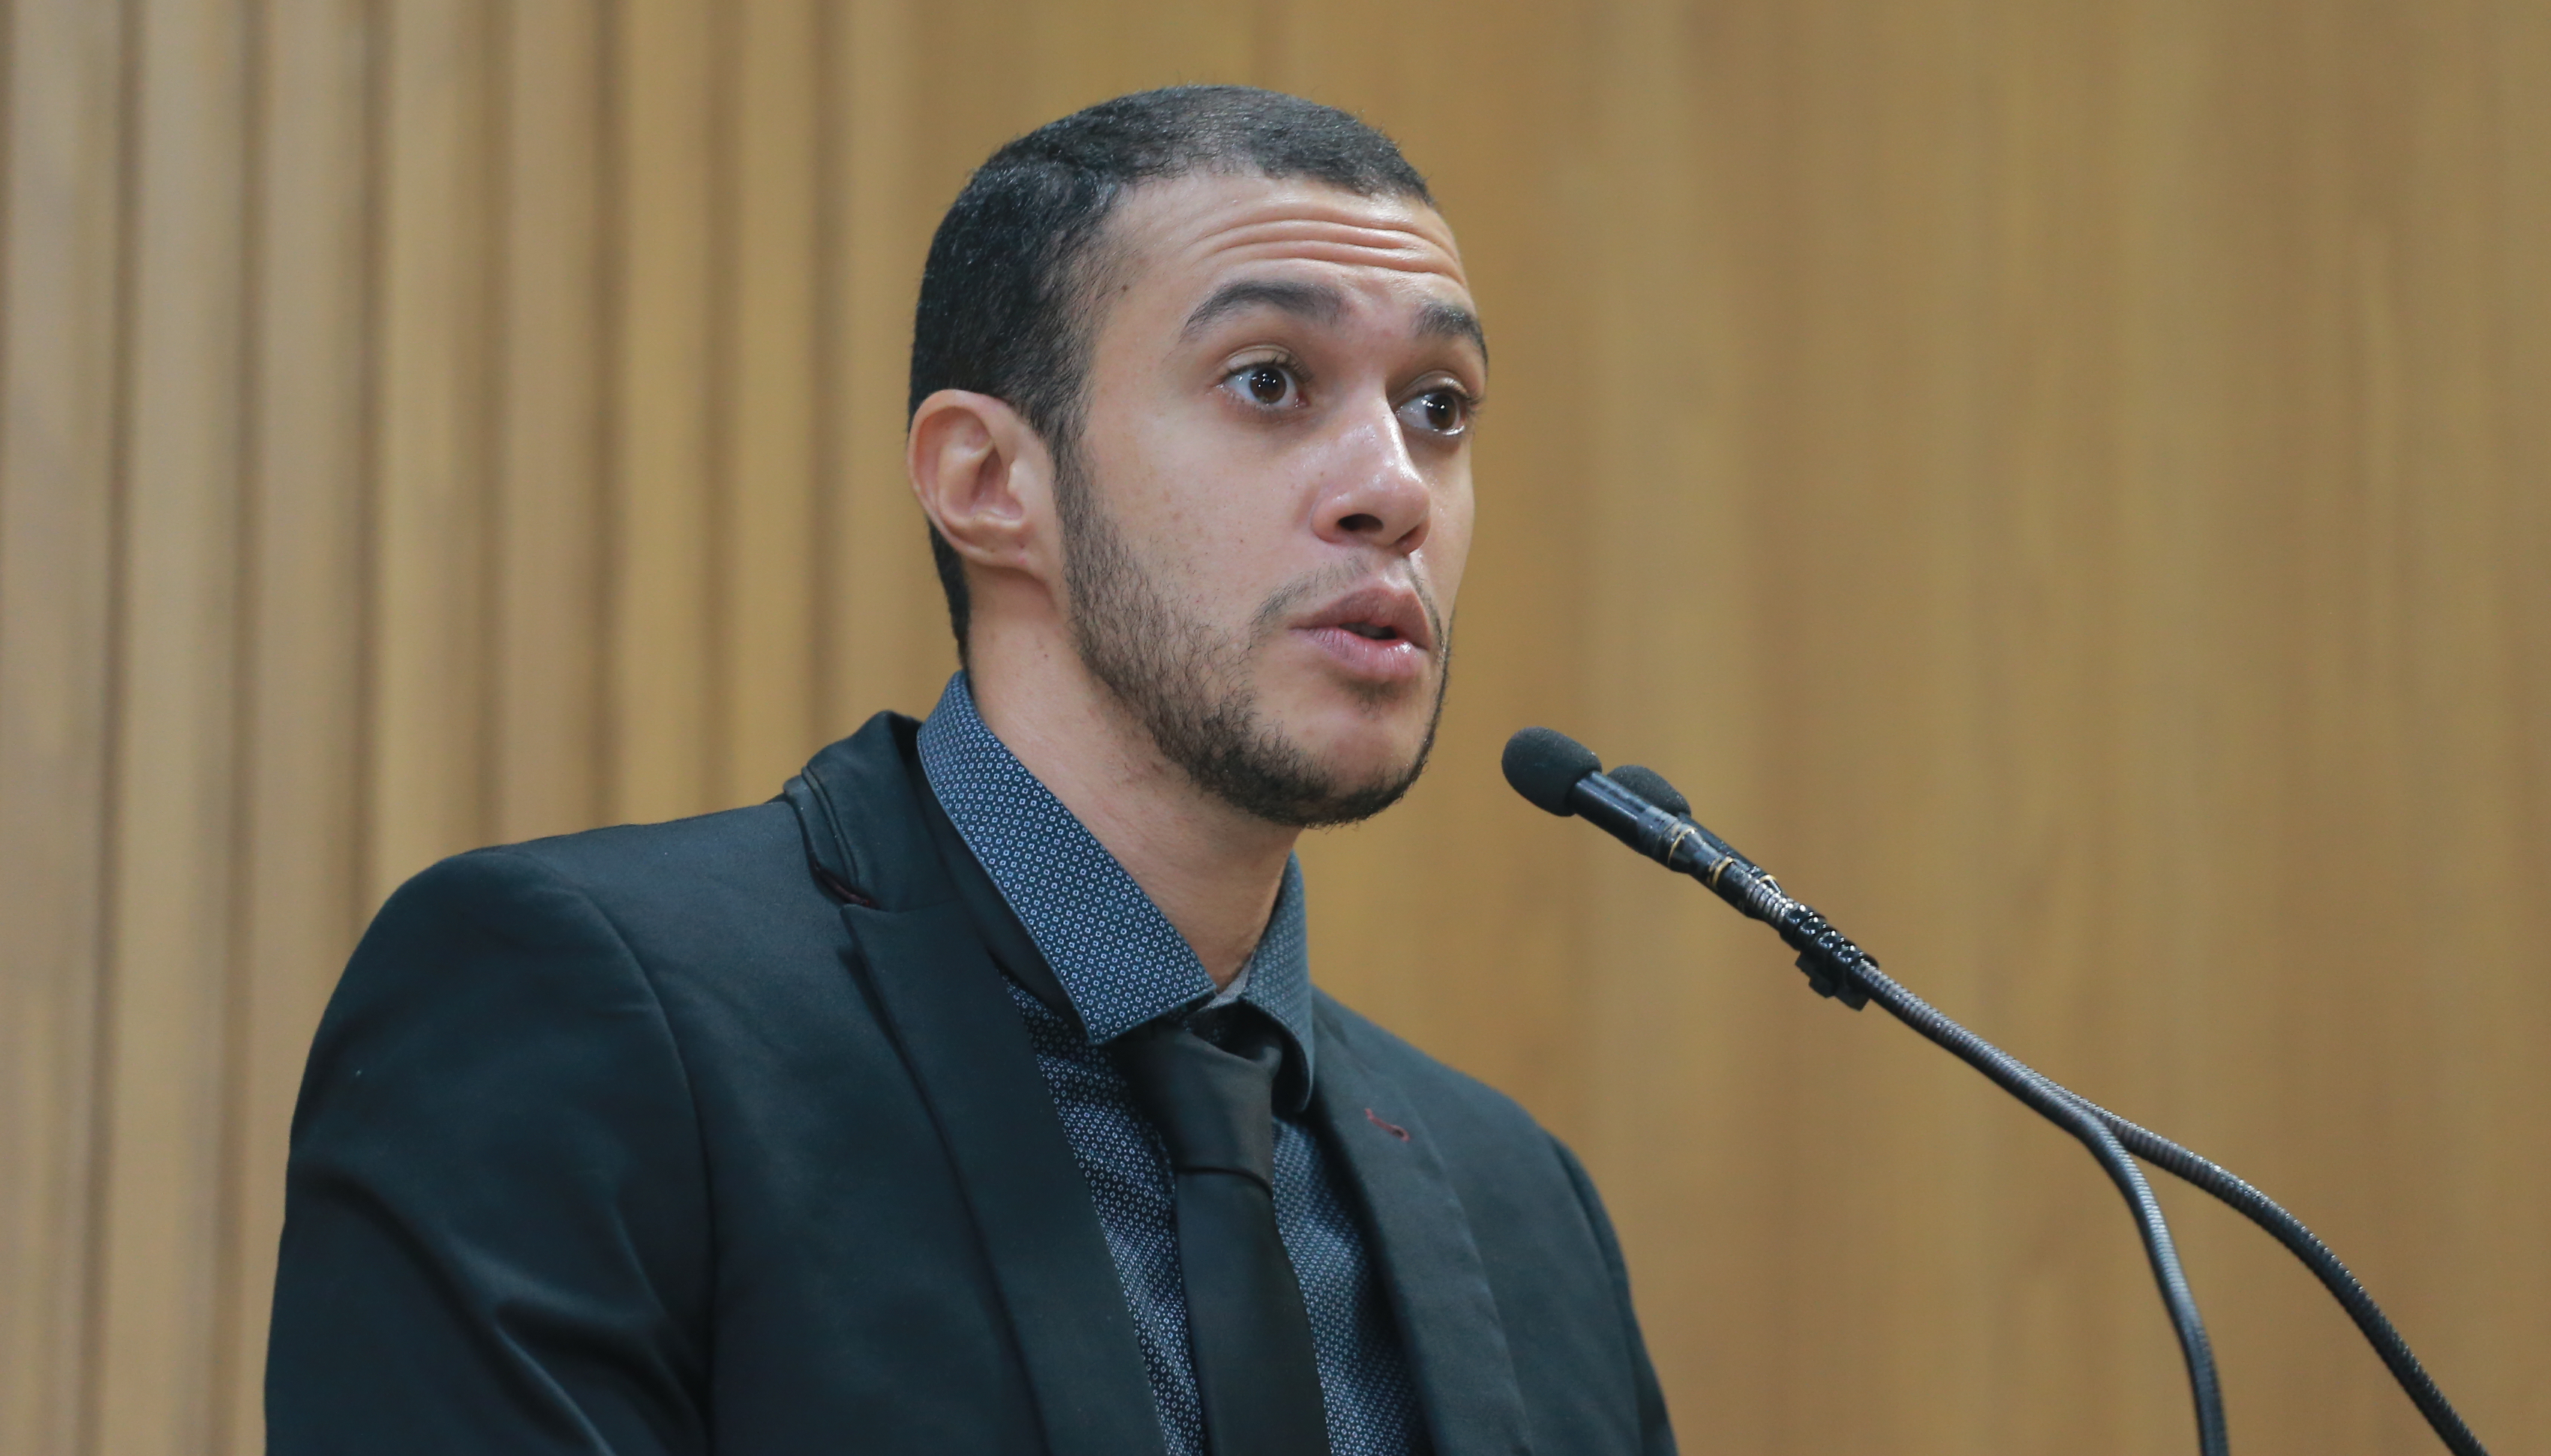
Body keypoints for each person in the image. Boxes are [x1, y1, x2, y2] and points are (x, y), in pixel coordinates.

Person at [267, 86, 1675, 1455]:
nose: (1396, 490)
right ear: (989, 482)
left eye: (1439, 407)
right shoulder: (587, 1019)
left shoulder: (1520, 1207)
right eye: (1269, 382)